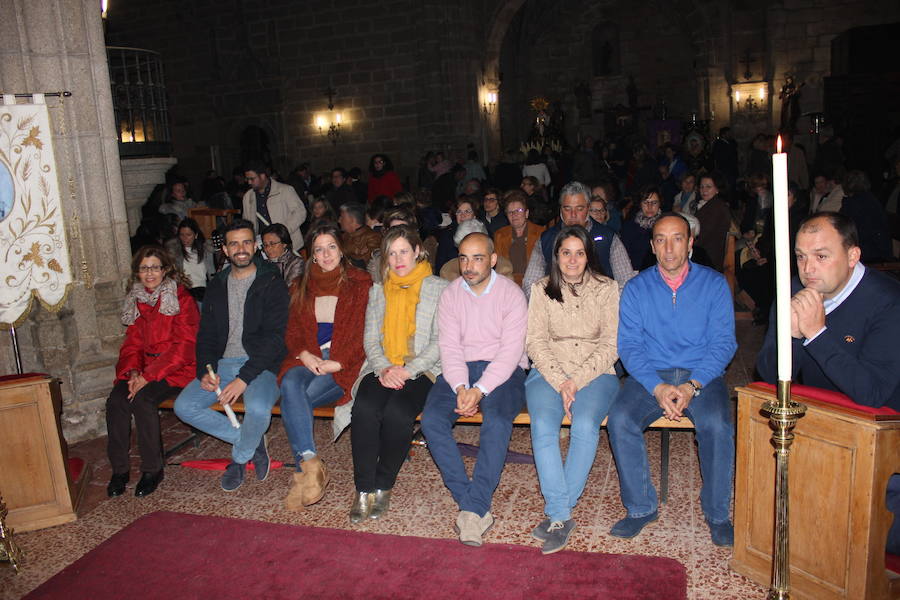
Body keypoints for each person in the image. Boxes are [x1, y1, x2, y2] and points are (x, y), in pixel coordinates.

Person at [756, 212, 900, 556]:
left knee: (872, 536)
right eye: (801, 256)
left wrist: (816, 334)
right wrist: (790, 336)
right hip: (821, 425)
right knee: (779, 517)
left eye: (821, 256)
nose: (808, 268)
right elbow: (767, 371)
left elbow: (873, 393)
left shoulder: (888, 302)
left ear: (852, 256)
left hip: (883, 436)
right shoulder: (794, 290)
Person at [606, 213, 737, 546]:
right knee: (620, 419)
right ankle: (641, 507)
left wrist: (694, 385)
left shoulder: (714, 284)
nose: (669, 247)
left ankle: (718, 514)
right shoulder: (637, 287)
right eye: (660, 239)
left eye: (677, 238)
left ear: (691, 242)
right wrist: (657, 386)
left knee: (719, 426)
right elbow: (630, 345)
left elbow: (724, 343)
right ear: (651, 246)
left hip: (700, 375)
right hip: (651, 374)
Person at [420, 232, 528, 547]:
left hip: (503, 371)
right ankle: (471, 502)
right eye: (463, 258)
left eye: (478, 258)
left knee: (496, 421)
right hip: (460, 369)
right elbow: (449, 348)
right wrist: (460, 386)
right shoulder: (452, 294)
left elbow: (510, 353)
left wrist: (478, 390)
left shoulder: (511, 294)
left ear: (493, 260)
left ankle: (473, 506)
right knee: (431, 421)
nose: (469, 266)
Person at [174, 219, 289, 492]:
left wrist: (244, 379)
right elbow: (206, 336)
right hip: (223, 364)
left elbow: (275, 339)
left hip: (261, 365)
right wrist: (205, 371)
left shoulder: (272, 282)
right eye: (234, 243)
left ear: (255, 246)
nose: (241, 248)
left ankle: (239, 459)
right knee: (184, 407)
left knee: (259, 409)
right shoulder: (217, 285)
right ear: (225, 249)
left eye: (246, 242)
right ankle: (249, 441)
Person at [525, 226, 620, 554]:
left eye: (580, 252)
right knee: (542, 426)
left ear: (588, 255)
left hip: (596, 373)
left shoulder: (607, 288)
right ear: (556, 256)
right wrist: (559, 379)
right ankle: (562, 515)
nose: (573, 259)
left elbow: (611, 345)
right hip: (548, 372)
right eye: (566, 252)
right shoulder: (541, 289)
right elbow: (535, 341)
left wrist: (575, 381)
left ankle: (556, 513)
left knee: (584, 425)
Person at [349, 226, 448, 522]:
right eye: (391, 253)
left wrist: (408, 371)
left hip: (422, 369)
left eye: (404, 251)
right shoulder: (378, 290)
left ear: (417, 251)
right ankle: (363, 488)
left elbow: (439, 341)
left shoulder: (439, 288)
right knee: (365, 408)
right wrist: (383, 368)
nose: (398, 259)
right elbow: (370, 339)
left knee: (398, 413)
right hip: (382, 366)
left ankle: (383, 484)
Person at [278, 224, 372, 510]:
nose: (326, 253)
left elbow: (365, 332)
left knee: (294, 400)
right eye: (319, 249)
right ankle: (311, 464)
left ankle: (302, 474)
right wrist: (304, 354)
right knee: (290, 384)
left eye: (331, 246)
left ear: (341, 249)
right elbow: (292, 331)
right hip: (310, 357)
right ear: (312, 255)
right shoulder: (300, 285)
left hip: (343, 360)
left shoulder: (360, 281)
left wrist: (339, 362)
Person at [106, 246, 200, 498]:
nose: (149, 273)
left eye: (155, 267)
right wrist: (134, 371)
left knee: (143, 400)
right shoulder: (136, 299)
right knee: (116, 400)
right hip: (145, 369)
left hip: (177, 369)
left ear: (166, 269)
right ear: (137, 273)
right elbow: (132, 344)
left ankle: (152, 469)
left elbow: (185, 347)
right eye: (144, 268)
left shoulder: (181, 298)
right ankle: (120, 470)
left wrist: (148, 376)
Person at [522, 181, 635, 299]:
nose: (573, 214)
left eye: (579, 208)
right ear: (560, 209)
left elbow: (626, 281)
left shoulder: (608, 238)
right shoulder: (546, 239)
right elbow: (531, 284)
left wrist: (607, 306)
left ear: (588, 207)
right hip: (557, 306)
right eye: (567, 208)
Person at [242, 160, 308, 250]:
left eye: (252, 179)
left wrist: (282, 232)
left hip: (288, 246)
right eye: (247, 179)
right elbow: (247, 223)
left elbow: (300, 213)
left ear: (262, 176)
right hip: (263, 248)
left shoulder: (285, 190)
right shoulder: (247, 197)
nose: (249, 182)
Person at [494, 190, 545, 285]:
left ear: (526, 213)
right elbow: (498, 267)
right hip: (509, 283)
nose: (514, 215)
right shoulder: (500, 235)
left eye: (519, 210)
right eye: (510, 212)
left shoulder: (541, 233)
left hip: (534, 283)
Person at [692, 172, 733, 272]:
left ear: (717, 189)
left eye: (708, 187)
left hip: (709, 257)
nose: (704, 190)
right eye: (702, 187)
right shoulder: (706, 204)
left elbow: (704, 235)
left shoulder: (717, 208)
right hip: (703, 251)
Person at [166, 217, 214, 303]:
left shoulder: (206, 250)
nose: (185, 238)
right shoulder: (174, 252)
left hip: (203, 290)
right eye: (182, 235)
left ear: (195, 235)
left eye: (188, 235)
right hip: (183, 291)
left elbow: (212, 273)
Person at [619, 185, 663, 270]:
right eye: (646, 202)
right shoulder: (629, 227)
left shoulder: (666, 225)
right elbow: (623, 256)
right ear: (640, 204)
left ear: (659, 203)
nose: (649, 207)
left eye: (654, 203)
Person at [339, 201, 383, 268]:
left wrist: (348, 254)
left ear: (351, 220)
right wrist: (356, 252)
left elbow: (370, 264)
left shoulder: (373, 237)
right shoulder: (343, 236)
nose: (339, 220)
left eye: (342, 217)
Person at [260, 222, 303, 287]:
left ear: (284, 243)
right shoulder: (264, 264)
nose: (268, 248)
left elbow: (289, 290)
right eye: (265, 245)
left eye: (272, 244)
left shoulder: (296, 263)